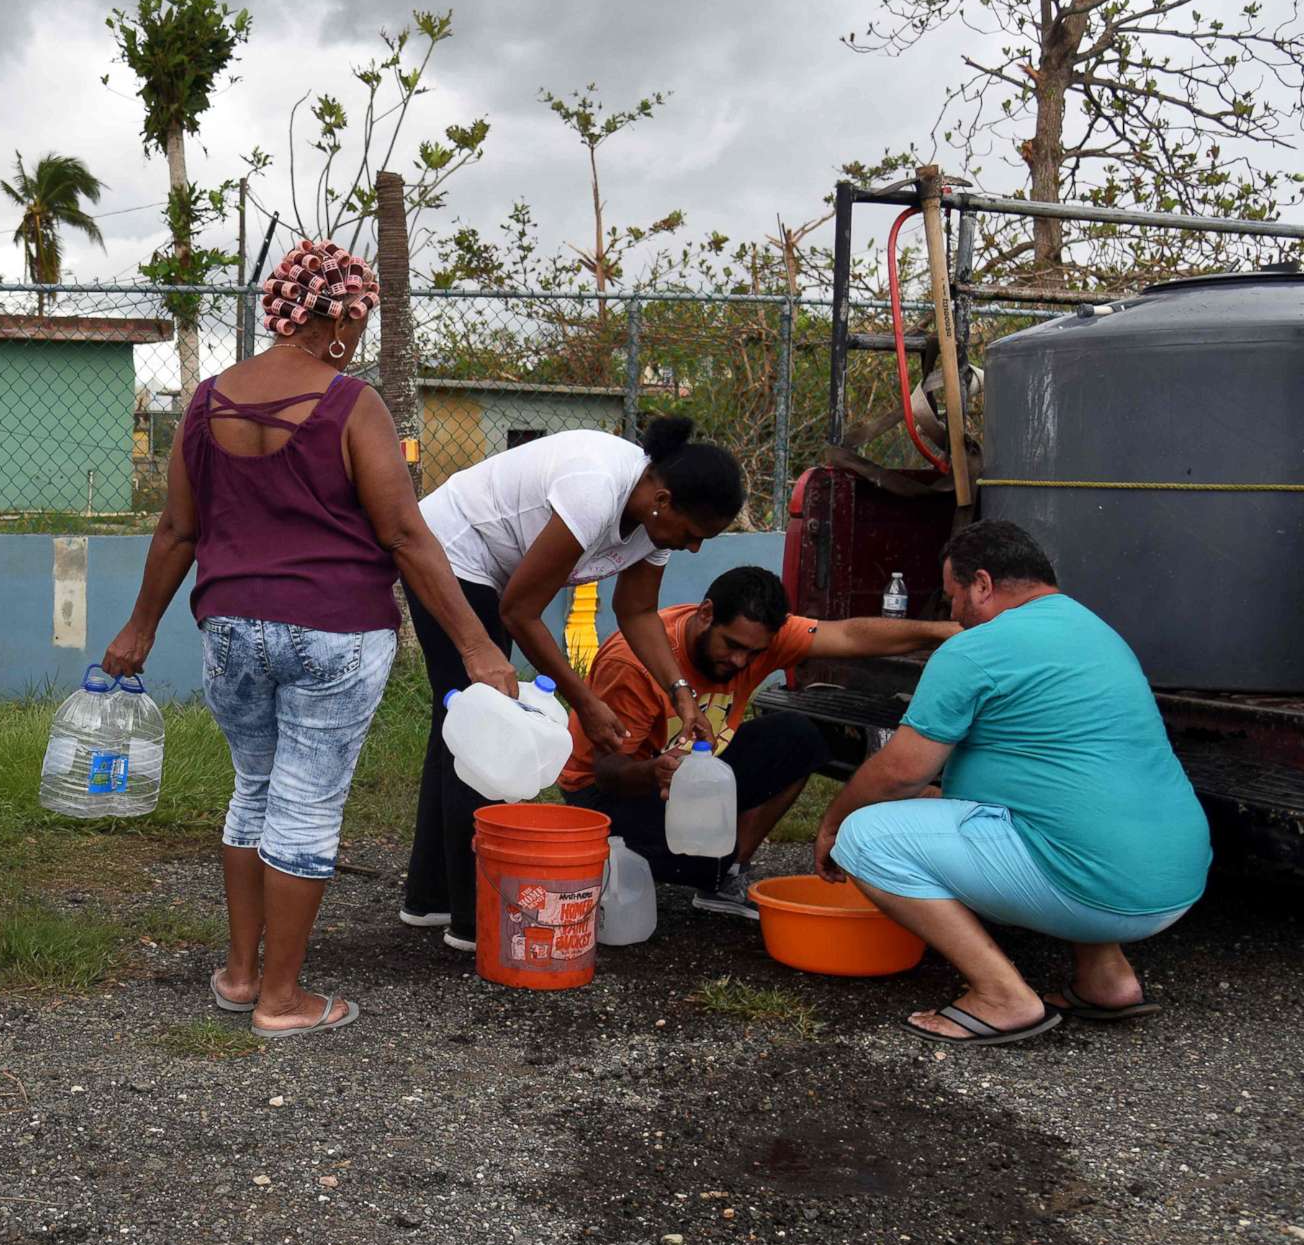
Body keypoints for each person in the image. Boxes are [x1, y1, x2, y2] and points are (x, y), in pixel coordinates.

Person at [101, 240, 514, 1040]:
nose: (357, 339)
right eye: (358, 322)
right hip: (335, 631)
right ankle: (282, 1001)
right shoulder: (351, 403)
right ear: (337, 317)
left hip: (230, 629)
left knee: (253, 790)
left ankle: (241, 973)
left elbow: (178, 528)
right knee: (307, 807)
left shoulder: (208, 401)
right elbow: (402, 530)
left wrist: (139, 626)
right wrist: (477, 648)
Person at [815, 521, 1211, 1046]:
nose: (953, 614)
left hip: (1095, 884)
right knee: (1066, 814)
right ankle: (1107, 979)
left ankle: (1002, 995)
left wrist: (834, 823)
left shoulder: (976, 648)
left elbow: (901, 771)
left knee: (865, 837)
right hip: (1176, 878)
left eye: (954, 597)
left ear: (982, 584)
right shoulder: (1097, 631)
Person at [403, 417, 745, 950]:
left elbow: (636, 612)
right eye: (694, 533)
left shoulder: (653, 523)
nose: (694, 548)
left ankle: (430, 899)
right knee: (483, 729)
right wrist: (583, 701)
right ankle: (475, 923)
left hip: (496, 572)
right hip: (451, 552)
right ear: (665, 499)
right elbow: (520, 611)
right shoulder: (596, 489)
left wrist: (680, 690)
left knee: (461, 724)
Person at [557, 564, 958, 916]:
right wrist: (654, 773)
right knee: (696, 859)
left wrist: (948, 632)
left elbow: (852, 636)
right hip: (606, 796)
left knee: (800, 736)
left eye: (754, 652)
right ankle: (702, 866)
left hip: (692, 777)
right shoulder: (634, 662)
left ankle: (727, 877)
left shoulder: (760, 637)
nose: (740, 662)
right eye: (731, 645)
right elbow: (606, 772)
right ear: (706, 614)